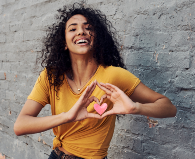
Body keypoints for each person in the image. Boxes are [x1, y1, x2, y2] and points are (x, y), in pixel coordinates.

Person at [14, 3, 177, 159]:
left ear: (96, 38)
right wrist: (68, 116)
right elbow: (20, 125)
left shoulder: (114, 75)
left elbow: (169, 108)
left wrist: (136, 108)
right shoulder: (51, 76)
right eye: (73, 29)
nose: (81, 32)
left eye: (88, 28)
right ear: (64, 42)